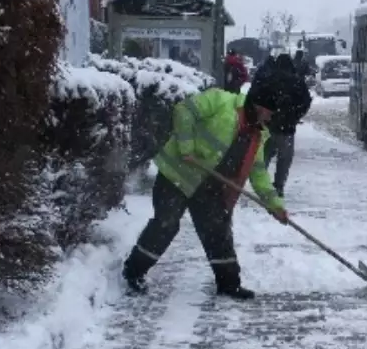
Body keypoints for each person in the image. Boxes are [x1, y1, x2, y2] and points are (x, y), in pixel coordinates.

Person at [120, 74, 299, 300]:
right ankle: (133, 272)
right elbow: (184, 110)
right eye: (270, 112)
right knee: (166, 223)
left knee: (217, 231)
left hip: (210, 186)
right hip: (176, 174)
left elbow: (259, 173)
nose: (271, 118)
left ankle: (229, 284)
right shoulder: (220, 101)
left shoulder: (257, 136)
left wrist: (275, 205)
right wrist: (186, 146)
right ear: (259, 105)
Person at [256, 51, 312, 197]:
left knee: (265, 155)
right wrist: (296, 115)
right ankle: (279, 185)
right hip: (287, 127)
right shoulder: (296, 81)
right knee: (284, 158)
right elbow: (306, 101)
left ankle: (262, 184)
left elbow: (258, 98)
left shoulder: (269, 79)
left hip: (269, 125)